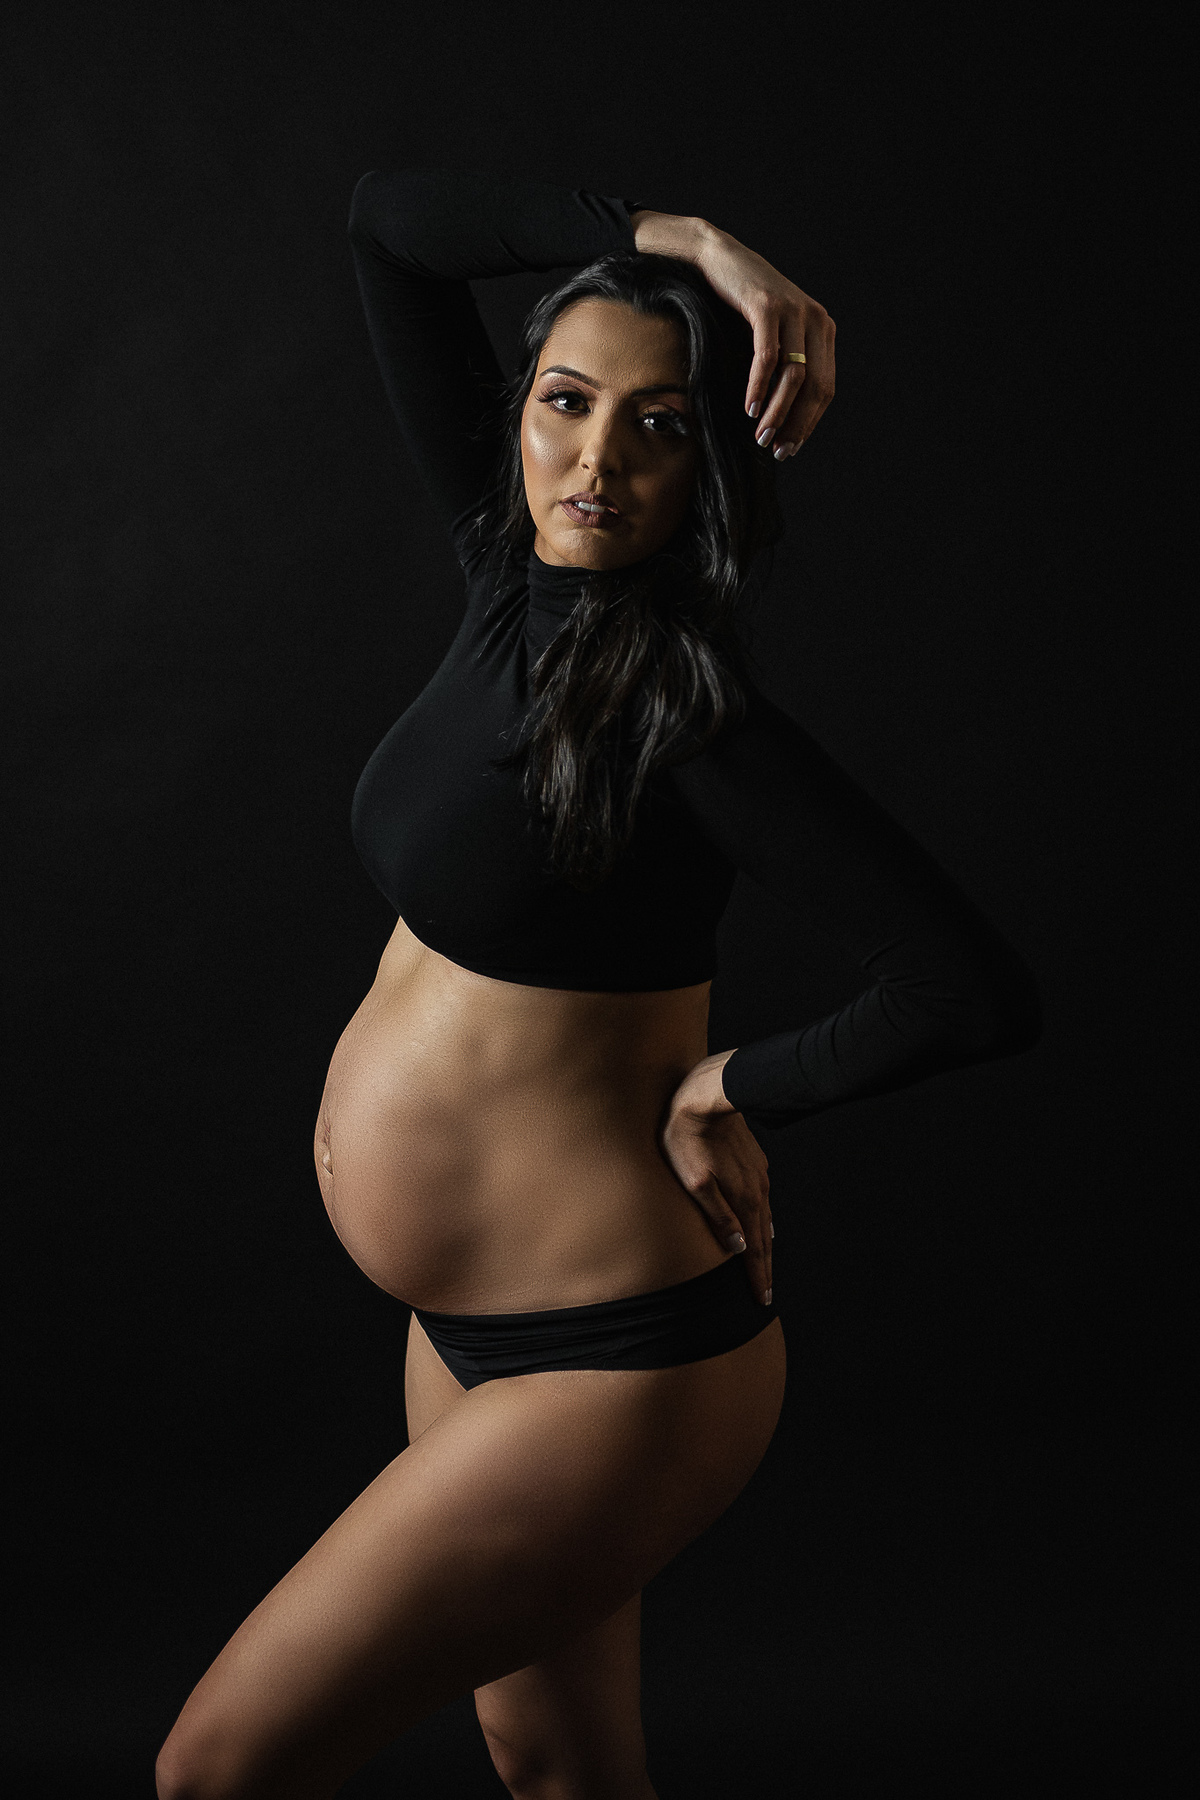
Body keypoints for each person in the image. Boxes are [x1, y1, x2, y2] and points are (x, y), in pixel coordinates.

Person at [156, 170, 1040, 1800]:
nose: (596, 462)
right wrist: (680, 237)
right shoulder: (506, 587)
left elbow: (965, 987)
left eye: (661, 427)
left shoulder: (694, 722)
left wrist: (729, 1088)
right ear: (522, 413)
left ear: (713, 468)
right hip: (463, 1331)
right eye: (566, 402)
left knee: (214, 1772)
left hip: (617, 1357)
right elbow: (389, 232)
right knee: (552, 1764)